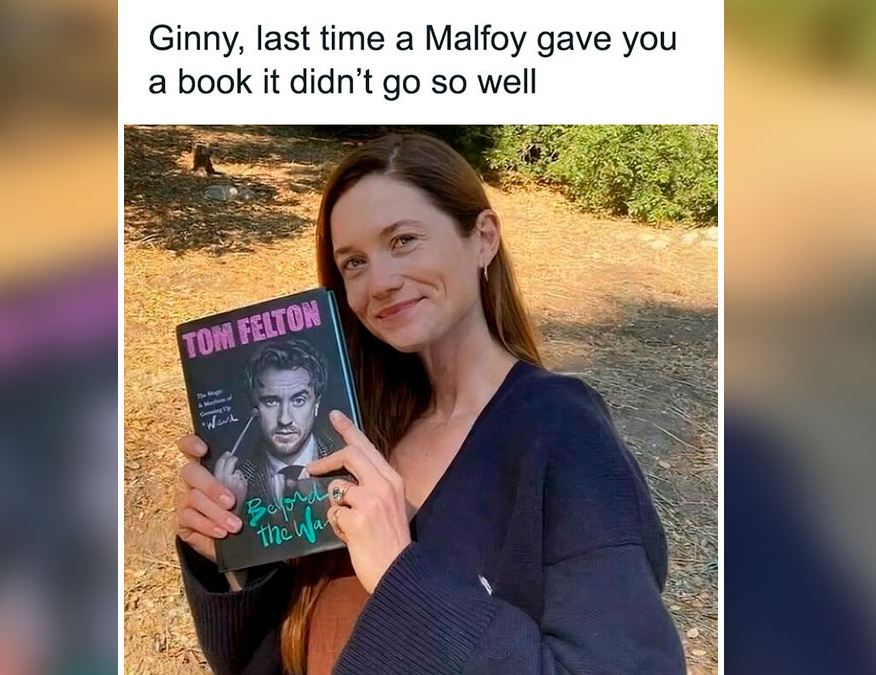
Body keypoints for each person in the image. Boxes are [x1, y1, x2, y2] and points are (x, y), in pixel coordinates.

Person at [174, 132, 686, 674]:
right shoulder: (354, 431)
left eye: (403, 240)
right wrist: (233, 559)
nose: (382, 282)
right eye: (353, 262)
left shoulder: (562, 435)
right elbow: (287, 656)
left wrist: (401, 575)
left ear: (483, 238)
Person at [213, 340, 340, 515]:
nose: (285, 419)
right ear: (254, 408)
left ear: (316, 404)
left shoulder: (349, 461)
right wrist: (231, 512)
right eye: (271, 401)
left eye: (298, 400)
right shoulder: (235, 483)